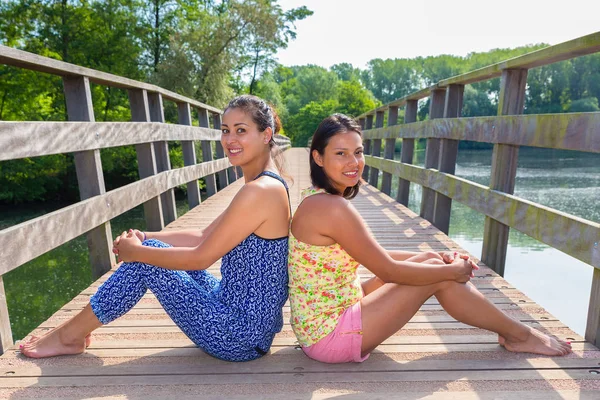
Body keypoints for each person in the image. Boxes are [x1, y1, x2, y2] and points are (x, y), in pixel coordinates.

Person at [21, 95, 291, 362]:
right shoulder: (263, 185)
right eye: (225, 130)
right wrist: (146, 236)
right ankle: (72, 332)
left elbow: (201, 256)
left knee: (146, 259)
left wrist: (137, 252)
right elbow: (201, 236)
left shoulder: (260, 191)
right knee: (150, 249)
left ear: (266, 135)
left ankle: (70, 336)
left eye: (241, 131)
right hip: (238, 316)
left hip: (238, 336)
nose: (230, 139)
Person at [288, 113, 572, 364]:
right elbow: (387, 269)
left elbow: (376, 255)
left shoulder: (319, 200)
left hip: (325, 319)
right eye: (341, 154)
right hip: (329, 336)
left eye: (358, 152)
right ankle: (519, 334)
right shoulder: (333, 208)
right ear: (317, 157)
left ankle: (513, 332)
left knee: (430, 261)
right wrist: (450, 271)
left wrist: (439, 259)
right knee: (439, 277)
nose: (354, 162)